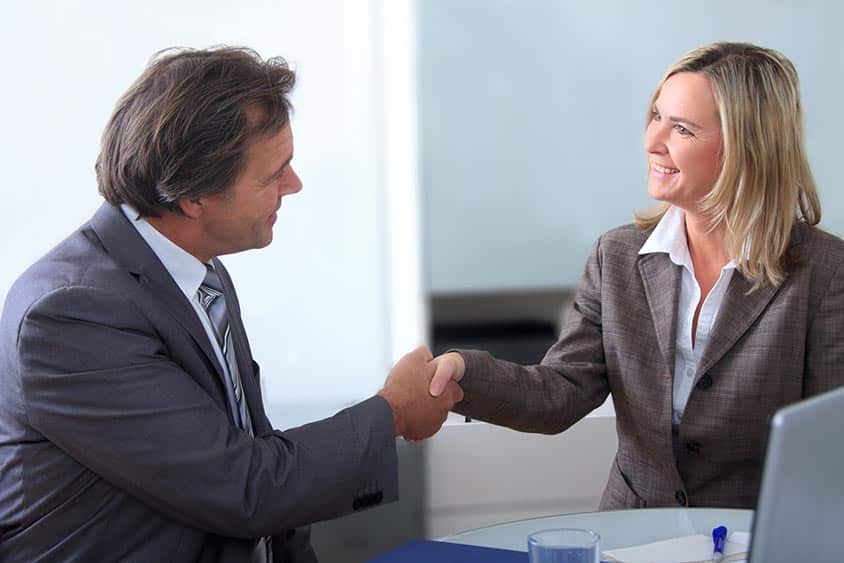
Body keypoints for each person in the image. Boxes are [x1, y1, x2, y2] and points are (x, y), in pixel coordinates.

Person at [0, 47, 462, 562]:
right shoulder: (70, 316)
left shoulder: (197, 272)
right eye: (273, 175)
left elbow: (255, 462)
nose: (295, 184)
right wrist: (393, 412)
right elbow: (243, 487)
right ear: (194, 197)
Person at [428, 42, 844, 510]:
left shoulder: (825, 273)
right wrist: (464, 373)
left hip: (758, 535)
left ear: (747, 150)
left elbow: (828, 444)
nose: (652, 141)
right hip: (632, 531)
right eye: (656, 116)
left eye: (681, 128)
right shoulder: (618, 256)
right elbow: (559, 392)